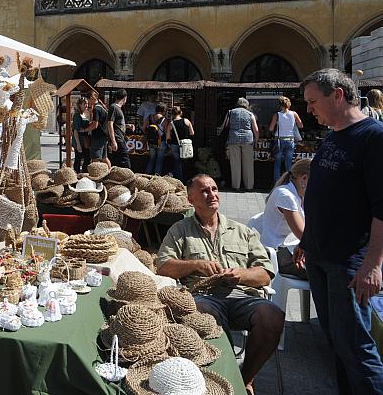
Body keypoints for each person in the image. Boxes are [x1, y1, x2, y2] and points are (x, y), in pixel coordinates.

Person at [156, 174, 283, 394]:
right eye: (204, 191)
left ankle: (245, 379)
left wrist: (240, 274)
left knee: (273, 316)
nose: (212, 195)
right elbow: (163, 267)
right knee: (206, 314)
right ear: (190, 199)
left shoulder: (242, 231)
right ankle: (223, 375)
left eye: (214, 189)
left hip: (243, 296)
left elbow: (265, 274)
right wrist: (195, 264)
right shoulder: (180, 230)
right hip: (203, 296)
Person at [300, 68, 383, 394]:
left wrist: (373, 264)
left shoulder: (373, 138)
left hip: (348, 263)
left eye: (312, 101)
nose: (308, 109)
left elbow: (382, 208)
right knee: (337, 342)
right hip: (321, 257)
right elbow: (325, 194)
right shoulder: (334, 135)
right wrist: (307, 241)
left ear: (337, 94)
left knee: (356, 347)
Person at [259, 158, 311, 280]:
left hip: (290, 251)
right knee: (328, 272)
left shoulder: (298, 195)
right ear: (303, 178)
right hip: (278, 254)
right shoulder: (285, 195)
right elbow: (303, 235)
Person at [222, 98, 259, 191]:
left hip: (233, 138)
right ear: (246, 105)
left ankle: (236, 186)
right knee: (248, 164)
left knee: (235, 163)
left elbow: (224, 125)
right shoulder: (250, 114)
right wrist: (256, 140)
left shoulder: (230, 112)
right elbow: (256, 129)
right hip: (248, 139)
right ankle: (249, 186)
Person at [268, 96, 304, 183]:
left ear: (280, 105)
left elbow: (270, 129)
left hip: (279, 140)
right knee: (288, 163)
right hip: (290, 140)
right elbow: (301, 125)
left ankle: (277, 183)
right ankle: (289, 182)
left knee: (277, 163)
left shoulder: (277, 115)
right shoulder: (294, 114)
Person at [165, 105, 194, 181]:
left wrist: (169, 144)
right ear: (181, 112)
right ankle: (185, 178)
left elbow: (168, 137)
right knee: (184, 162)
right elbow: (192, 133)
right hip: (185, 144)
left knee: (177, 162)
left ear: (173, 114)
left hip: (175, 144)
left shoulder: (171, 123)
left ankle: (179, 178)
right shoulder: (186, 121)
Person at [107, 89, 131, 169]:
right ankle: (129, 177)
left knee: (118, 161)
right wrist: (113, 141)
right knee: (125, 160)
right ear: (125, 98)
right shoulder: (113, 107)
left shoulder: (118, 108)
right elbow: (110, 123)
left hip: (121, 137)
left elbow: (117, 124)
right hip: (117, 138)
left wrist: (127, 126)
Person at [87, 91, 110, 165]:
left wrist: (84, 129)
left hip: (98, 136)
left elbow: (95, 125)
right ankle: (110, 174)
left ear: (91, 98)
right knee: (104, 158)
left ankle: (97, 175)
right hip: (104, 135)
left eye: (88, 99)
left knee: (95, 158)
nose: (88, 102)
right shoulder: (102, 107)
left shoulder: (96, 109)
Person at [144, 103, 167, 175]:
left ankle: (147, 175)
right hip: (161, 141)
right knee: (159, 160)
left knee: (151, 160)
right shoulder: (164, 120)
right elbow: (166, 132)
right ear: (163, 111)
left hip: (151, 142)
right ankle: (157, 177)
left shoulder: (149, 117)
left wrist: (147, 134)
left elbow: (143, 127)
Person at [71, 96, 91, 173]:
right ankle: (77, 174)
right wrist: (78, 144)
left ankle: (84, 173)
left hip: (85, 140)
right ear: (80, 105)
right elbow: (75, 130)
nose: (86, 105)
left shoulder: (86, 114)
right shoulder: (77, 115)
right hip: (78, 139)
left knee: (87, 158)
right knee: (78, 158)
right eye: (84, 103)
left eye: (87, 103)